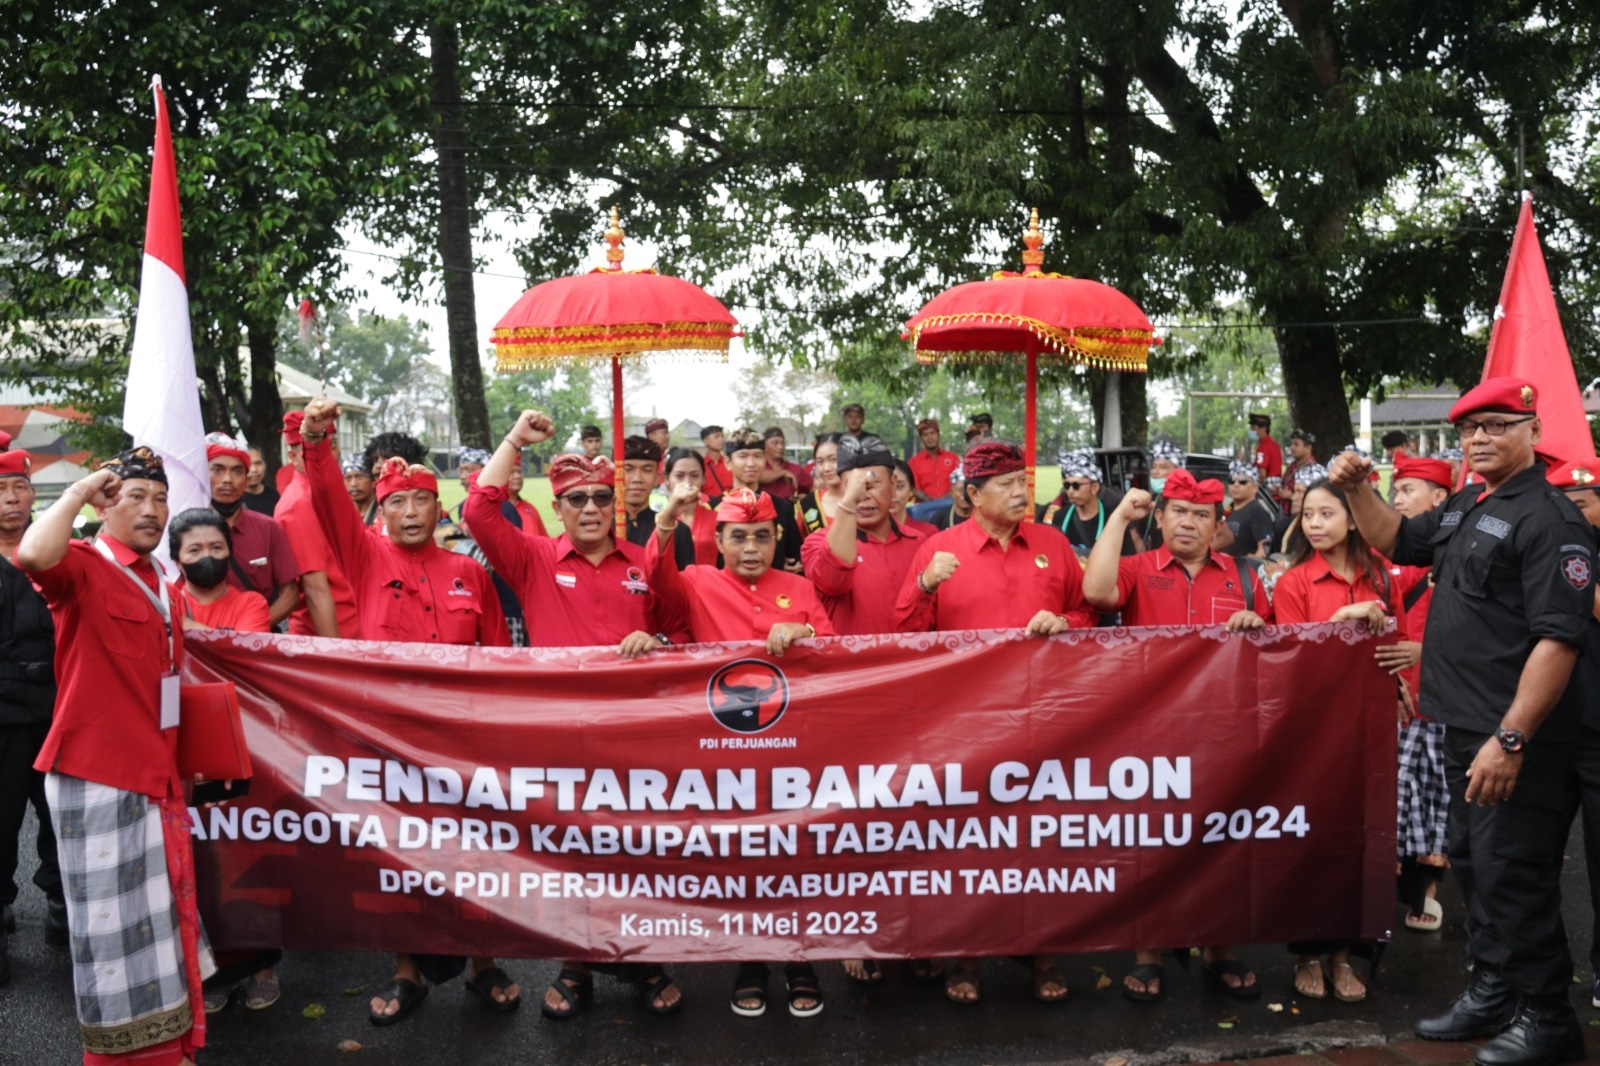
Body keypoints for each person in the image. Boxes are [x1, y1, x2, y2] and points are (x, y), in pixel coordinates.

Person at [1329, 377, 1593, 1065]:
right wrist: (1358, 489)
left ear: (1534, 431)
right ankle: (1495, 991)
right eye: (1470, 429)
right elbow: (1398, 540)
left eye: (1498, 425)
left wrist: (1511, 738)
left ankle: (1548, 1016)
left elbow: (1559, 640)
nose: (1479, 438)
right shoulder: (1469, 502)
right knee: (1476, 866)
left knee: (1515, 875)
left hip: (1513, 737)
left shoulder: (1551, 520)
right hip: (1459, 724)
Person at [298, 399, 519, 1027]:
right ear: (381, 511)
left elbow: (498, 655)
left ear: (438, 507)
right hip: (390, 740)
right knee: (399, 855)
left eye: (421, 500)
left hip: (464, 740)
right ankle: (406, 972)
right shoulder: (363, 557)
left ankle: (483, 963)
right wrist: (315, 440)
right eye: (397, 503)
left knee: (475, 852)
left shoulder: (468, 573)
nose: (411, 512)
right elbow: (328, 501)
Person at [466, 410, 687, 1020]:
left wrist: (657, 644)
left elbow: (682, 632)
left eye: (600, 497)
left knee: (639, 850)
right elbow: (479, 512)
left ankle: (645, 960)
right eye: (576, 500)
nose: (590, 508)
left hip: (637, 737)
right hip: (561, 737)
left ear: (614, 505)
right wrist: (515, 439)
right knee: (571, 853)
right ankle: (575, 964)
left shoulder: (645, 561)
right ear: (557, 509)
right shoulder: (532, 558)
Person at [16, 448, 216, 1066]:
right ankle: (120, 1057)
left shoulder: (164, 583)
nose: (153, 509)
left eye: (161, 498)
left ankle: (171, 1047)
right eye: (136, 497)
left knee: (160, 926)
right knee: (113, 937)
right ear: (106, 505)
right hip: (98, 773)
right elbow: (32, 555)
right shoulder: (82, 563)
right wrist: (79, 491)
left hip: (157, 771)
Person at [894, 440, 1093, 1006]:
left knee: (1041, 838)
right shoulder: (939, 549)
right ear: (973, 495)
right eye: (1005, 484)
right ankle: (969, 957)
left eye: (1022, 481)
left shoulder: (1053, 544)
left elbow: (1087, 612)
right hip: (966, 720)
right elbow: (904, 634)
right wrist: (926, 584)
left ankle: (1044, 955)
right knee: (971, 843)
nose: (1019, 492)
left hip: (1044, 716)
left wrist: (1066, 622)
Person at [1081, 468, 1269, 1003]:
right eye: (1179, 513)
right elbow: (1096, 592)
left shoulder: (1247, 577)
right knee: (1149, 844)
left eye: (1201, 515)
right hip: (1151, 731)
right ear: (1160, 519)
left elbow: (1278, 648)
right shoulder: (1137, 569)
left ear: (1217, 526)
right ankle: (1148, 953)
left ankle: (1219, 948)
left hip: (1223, 732)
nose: (1188, 523)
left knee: (1224, 841)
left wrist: (1256, 627)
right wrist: (1120, 515)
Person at [647, 484, 833, 1019]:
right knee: (741, 858)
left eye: (761, 537)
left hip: (792, 747)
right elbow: (656, 578)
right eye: (739, 538)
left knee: (794, 855)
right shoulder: (696, 581)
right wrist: (668, 518)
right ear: (720, 542)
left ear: (776, 539)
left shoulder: (799, 587)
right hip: (723, 750)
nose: (751, 548)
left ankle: (799, 960)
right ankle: (750, 961)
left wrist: (803, 629)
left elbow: (837, 653)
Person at [1273, 477, 1410, 1005]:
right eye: (1307, 514)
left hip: (1371, 729)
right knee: (1312, 840)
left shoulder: (1382, 576)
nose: (1314, 523)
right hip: (1314, 731)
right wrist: (1340, 620)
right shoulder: (1294, 582)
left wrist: (1400, 686)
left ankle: (1346, 956)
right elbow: (1293, 659)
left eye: (1326, 513)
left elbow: (1397, 644)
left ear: (1353, 518)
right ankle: (1308, 954)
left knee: (1365, 839)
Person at [1380, 457, 1454, 934]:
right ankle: (1398, 884)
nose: (1398, 499)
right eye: (1397, 490)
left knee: (1436, 797)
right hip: (1398, 700)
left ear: (1439, 499)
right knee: (1398, 796)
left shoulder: (1460, 552)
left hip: (1447, 701)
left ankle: (1428, 889)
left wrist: (1427, 649)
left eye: (1409, 490)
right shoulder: (1388, 558)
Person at [0, 446, 62, 986]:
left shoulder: (56, 552)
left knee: (62, 818)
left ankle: (64, 904)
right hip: (1, 717)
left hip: (58, 711)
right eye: (0, 491)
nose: (11, 500)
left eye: (19, 488)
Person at [1546, 457, 1600, 1015]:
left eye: (1582, 504)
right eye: (1563, 505)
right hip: (1545, 726)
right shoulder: (1544, 550)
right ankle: (1536, 974)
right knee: (1530, 857)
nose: (1572, 515)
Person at [205, 432, 301, 627]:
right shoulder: (185, 529)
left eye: (237, 471)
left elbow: (291, 593)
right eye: (218, 470)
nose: (227, 479)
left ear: (246, 478)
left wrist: (253, 627)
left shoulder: (268, 528)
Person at [274, 412, 349, 639]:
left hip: (355, 629)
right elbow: (315, 591)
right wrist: (336, 653)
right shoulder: (300, 504)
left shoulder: (326, 492)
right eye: (313, 447)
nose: (324, 454)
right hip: (335, 638)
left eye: (331, 445)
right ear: (293, 457)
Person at [170, 510, 272, 634]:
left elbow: (245, 646)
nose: (207, 556)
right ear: (177, 561)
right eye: (194, 550)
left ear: (229, 555)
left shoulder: (251, 603)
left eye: (216, 547)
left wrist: (185, 625)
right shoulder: (167, 601)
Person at [720, 429, 805, 573]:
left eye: (757, 456)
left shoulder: (781, 507)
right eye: (743, 456)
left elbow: (794, 558)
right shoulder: (715, 508)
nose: (751, 463)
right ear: (728, 462)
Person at [1042, 450, 1136, 557]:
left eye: (1076, 486)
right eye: (1067, 485)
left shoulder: (1113, 519)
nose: (1070, 491)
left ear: (1094, 488)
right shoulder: (1059, 517)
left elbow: (1128, 559)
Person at [661, 447, 720, 568]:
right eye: (679, 476)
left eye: (694, 476)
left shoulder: (718, 520)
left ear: (703, 479)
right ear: (667, 479)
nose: (687, 483)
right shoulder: (660, 520)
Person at [1223, 462, 1276, 559]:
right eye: (1232, 480)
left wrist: (1249, 565)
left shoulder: (1257, 512)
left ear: (1255, 487)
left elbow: (1264, 548)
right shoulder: (1229, 508)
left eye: (1242, 481)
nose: (1236, 485)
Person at [796, 433, 845, 535]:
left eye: (834, 459)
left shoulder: (865, 499)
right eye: (820, 462)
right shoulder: (809, 504)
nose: (826, 468)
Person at [619, 435, 664, 546]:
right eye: (628, 469)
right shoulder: (600, 530)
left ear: (657, 478)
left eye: (647, 470)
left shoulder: (672, 530)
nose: (637, 479)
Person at [907, 418, 959, 503]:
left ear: (938, 435)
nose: (930, 437)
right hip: (925, 507)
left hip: (951, 505)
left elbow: (959, 482)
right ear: (921, 438)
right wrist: (930, 501)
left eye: (932, 433)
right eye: (925, 434)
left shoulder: (953, 458)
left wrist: (945, 499)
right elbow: (914, 488)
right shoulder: (913, 463)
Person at [890, 460, 939, 536]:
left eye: (899, 486)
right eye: (886, 487)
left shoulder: (928, 533)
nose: (892, 494)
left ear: (911, 491)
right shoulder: (869, 535)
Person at [760, 427, 810, 500]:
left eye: (782, 443)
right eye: (775, 443)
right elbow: (758, 477)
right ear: (764, 446)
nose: (780, 447)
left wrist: (805, 498)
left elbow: (812, 487)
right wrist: (783, 473)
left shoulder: (795, 469)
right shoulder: (758, 465)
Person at [504, 458, 548, 537]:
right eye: (511, 472)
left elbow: (544, 540)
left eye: (519, 472)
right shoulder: (493, 509)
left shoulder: (530, 509)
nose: (517, 476)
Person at [241, 446, 278, 516]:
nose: (254, 470)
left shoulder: (274, 495)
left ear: (265, 465)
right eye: (248, 464)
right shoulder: (235, 499)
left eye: (258, 463)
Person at [700, 425, 734, 496]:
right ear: (706, 441)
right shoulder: (700, 465)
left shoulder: (730, 463)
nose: (721, 439)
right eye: (716, 436)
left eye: (722, 436)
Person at [1247, 412, 1282, 481]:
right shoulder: (1273, 444)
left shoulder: (1264, 446)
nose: (1251, 431)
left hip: (1268, 483)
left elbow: (1262, 474)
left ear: (1263, 428)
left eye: (1253, 428)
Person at [343, 453, 376, 524]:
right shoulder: (341, 513)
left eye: (360, 477)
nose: (353, 484)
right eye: (348, 478)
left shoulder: (382, 512)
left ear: (373, 480)